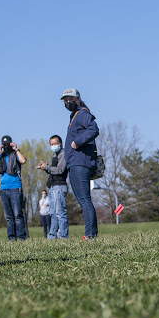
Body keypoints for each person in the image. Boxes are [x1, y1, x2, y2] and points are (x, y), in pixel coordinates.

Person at [61, 89, 100, 239]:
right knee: (83, 199)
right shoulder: (75, 115)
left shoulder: (82, 113)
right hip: (75, 162)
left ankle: (90, 235)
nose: (68, 102)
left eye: (71, 99)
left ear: (78, 98)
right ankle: (90, 234)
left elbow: (94, 129)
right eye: (65, 100)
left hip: (80, 162)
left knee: (85, 199)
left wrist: (77, 142)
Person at [0, 135, 28, 241]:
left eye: (8, 144)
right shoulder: (1, 156)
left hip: (15, 188)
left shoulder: (15, 154)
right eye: (4, 144)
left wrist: (16, 149)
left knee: (18, 215)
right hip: (4, 190)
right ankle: (11, 238)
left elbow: (23, 161)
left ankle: (21, 238)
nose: (6, 146)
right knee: (9, 217)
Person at [37, 135, 69, 240]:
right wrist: (45, 168)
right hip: (53, 186)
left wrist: (47, 167)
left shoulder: (63, 154)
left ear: (60, 144)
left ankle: (64, 235)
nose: (53, 146)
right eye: (51, 144)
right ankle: (52, 236)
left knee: (60, 212)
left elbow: (60, 170)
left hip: (59, 186)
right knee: (53, 213)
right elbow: (53, 170)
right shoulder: (56, 156)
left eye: (55, 143)